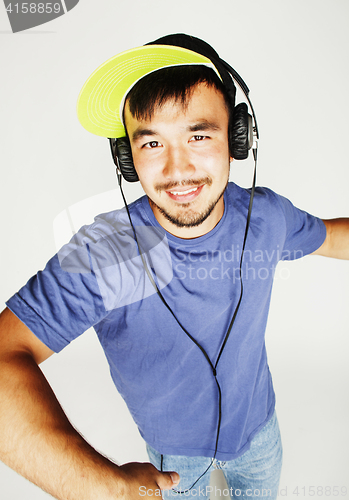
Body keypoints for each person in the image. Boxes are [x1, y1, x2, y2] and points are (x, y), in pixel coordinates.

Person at [0, 33, 348, 500]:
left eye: (198, 135)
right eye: (151, 145)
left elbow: (330, 235)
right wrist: (106, 489)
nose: (176, 168)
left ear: (237, 138)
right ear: (127, 158)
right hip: (173, 456)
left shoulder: (264, 216)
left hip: (261, 428)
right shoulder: (110, 251)